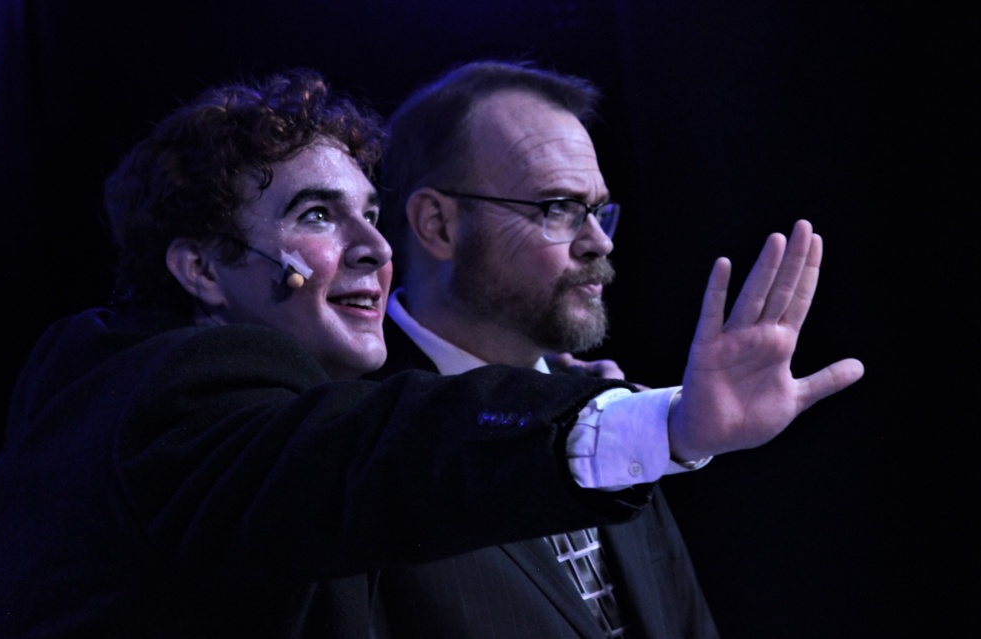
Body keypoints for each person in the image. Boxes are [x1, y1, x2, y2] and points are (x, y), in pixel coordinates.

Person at [368, 60, 863, 638]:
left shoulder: (607, 406)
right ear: (438, 225)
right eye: (557, 207)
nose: (599, 242)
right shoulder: (358, 431)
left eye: (598, 210)